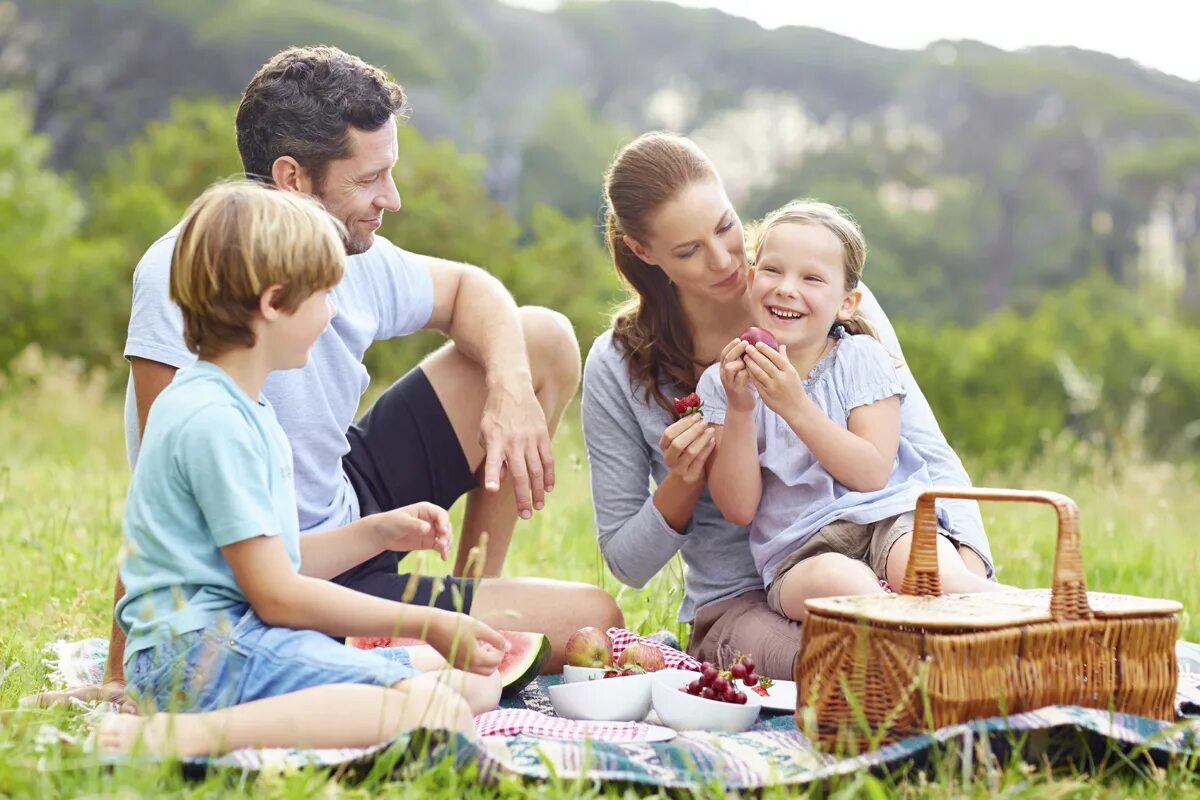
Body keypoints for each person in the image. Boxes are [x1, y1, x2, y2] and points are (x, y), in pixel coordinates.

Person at [34, 46, 621, 711]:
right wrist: (120, 677)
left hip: (345, 510)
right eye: (370, 178)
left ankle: (468, 598)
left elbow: (472, 288)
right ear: (292, 177)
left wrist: (511, 395)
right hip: (270, 574)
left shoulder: (349, 245)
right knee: (588, 619)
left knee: (537, 336)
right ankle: (414, 637)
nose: (390, 199)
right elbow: (163, 504)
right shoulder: (192, 274)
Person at [99, 182, 504, 757]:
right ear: (272, 303)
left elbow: (272, 559)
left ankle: (311, 712)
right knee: (442, 711)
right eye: (323, 295)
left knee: (475, 684)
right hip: (200, 656)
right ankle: (176, 735)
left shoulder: (237, 404)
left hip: (226, 641)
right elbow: (278, 597)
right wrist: (425, 621)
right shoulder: (216, 421)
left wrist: (377, 532)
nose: (332, 311)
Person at [582, 132, 995, 679]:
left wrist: (968, 571)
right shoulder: (619, 364)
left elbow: (923, 449)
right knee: (857, 666)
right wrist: (683, 481)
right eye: (688, 251)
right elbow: (627, 563)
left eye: (727, 226)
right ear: (643, 252)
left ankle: (1016, 649)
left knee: (944, 621)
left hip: (884, 537)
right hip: (749, 597)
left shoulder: (825, 295)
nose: (727, 259)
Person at [700, 200, 1003, 622]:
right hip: (801, 550)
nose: (787, 287)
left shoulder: (861, 358)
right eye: (772, 270)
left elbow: (871, 473)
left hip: (889, 519)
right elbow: (739, 508)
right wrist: (738, 409)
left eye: (811, 278)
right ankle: (912, 643)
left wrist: (794, 405)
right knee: (848, 589)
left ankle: (1026, 615)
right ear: (752, 280)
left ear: (847, 303)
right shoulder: (723, 381)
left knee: (935, 576)